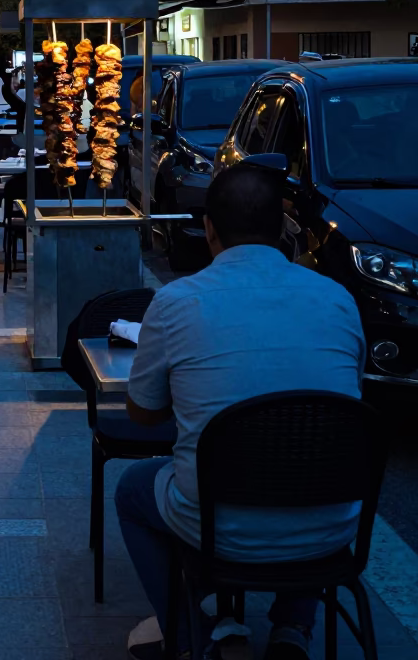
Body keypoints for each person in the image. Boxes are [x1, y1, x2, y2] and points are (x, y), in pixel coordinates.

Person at [114, 160, 365, 660]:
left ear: (207, 227)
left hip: (216, 527)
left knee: (131, 490)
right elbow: (341, 408)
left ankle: (193, 638)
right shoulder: (337, 300)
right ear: (283, 227)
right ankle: (293, 630)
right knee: (305, 456)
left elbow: (142, 414)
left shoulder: (177, 302)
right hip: (333, 527)